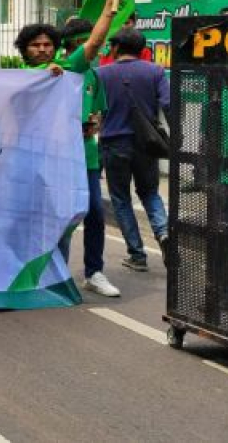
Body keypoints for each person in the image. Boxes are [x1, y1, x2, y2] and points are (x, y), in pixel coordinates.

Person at [96, 28, 170, 273]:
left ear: (115, 47)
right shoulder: (156, 71)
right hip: (146, 143)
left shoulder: (101, 74)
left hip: (114, 142)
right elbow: (168, 104)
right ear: (143, 50)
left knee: (121, 199)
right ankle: (164, 233)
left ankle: (137, 255)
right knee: (150, 193)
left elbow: (91, 109)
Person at [57, 18, 119, 297]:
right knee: (62, 215)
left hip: (88, 156)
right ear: (73, 45)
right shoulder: (63, 69)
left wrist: (93, 125)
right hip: (59, 156)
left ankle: (94, 272)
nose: (96, 47)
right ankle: (55, 272)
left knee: (95, 212)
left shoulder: (93, 76)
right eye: (87, 41)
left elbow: (98, 114)